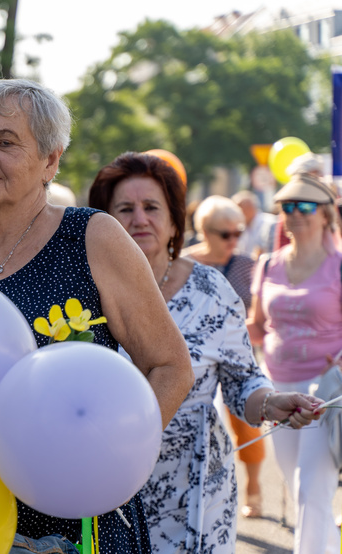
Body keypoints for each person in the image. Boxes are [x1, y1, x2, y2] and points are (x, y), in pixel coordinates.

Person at [0, 78, 196, 553]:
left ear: (50, 160)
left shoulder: (93, 238)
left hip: (75, 518)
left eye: (4, 142)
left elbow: (171, 367)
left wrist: (112, 458)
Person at [89, 153, 322, 552]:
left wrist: (271, 401)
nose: (139, 219)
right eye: (124, 209)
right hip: (107, 476)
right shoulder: (83, 293)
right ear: (103, 222)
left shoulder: (211, 289)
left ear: (176, 220)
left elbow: (242, 379)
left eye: (151, 207)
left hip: (197, 483)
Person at [247, 172, 342, 553]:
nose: (296, 213)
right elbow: (255, 327)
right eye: (288, 206)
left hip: (326, 394)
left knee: (310, 491)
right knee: (300, 489)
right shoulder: (268, 264)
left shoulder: (338, 266)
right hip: (279, 393)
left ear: (326, 214)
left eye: (306, 206)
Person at [182, 195, 267, 518]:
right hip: (195, 359)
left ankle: (254, 486)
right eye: (225, 234)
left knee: (247, 422)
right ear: (204, 230)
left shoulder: (247, 264)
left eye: (238, 232)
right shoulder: (183, 261)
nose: (234, 240)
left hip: (237, 354)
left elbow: (259, 313)